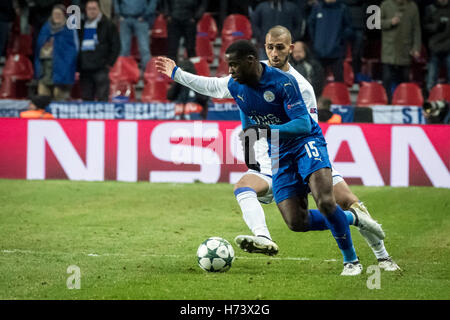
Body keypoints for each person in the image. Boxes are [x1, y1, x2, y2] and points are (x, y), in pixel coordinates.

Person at [156, 26, 400, 273]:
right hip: (273, 159)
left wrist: (268, 132)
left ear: (290, 49)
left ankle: (382, 257)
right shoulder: (245, 74)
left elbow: (307, 127)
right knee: (288, 216)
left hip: (303, 149)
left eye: (280, 47)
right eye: (270, 47)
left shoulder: (299, 86)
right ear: (263, 49)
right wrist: (177, 74)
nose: (274, 53)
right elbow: (213, 86)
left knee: (346, 202)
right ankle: (263, 236)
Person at [34, 4, 79, 101]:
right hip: (45, 72)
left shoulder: (69, 30)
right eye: (55, 14)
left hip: (62, 73)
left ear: (64, 15)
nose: (57, 16)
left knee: (59, 101)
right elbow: (38, 49)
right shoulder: (45, 29)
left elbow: (73, 53)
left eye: (59, 14)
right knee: (42, 100)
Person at [78, 0, 120, 101]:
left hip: (101, 68)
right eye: (89, 9)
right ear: (86, 10)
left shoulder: (108, 25)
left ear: (99, 9)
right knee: (86, 99)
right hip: (85, 68)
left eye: (94, 9)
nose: (91, 11)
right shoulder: (81, 25)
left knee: (102, 99)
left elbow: (116, 45)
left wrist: (109, 63)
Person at [380, 0, 421, 103]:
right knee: (387, 79)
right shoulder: (385, 5)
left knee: (404, 80)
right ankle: (387, 104)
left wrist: (416, 47)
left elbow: (416, 29)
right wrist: (390, 22)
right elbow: (374, 23)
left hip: (405, 50)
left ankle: (403, 102)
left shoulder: (412, 7)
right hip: (389, 50)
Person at [307, 0, 354, 82]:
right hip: (319, 51)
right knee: (318, 81)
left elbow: (348, 28)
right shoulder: (317, 7)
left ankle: (339, 95)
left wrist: (339, 39)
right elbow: (311, 25)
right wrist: (316, 41)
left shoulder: (342, 8)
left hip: (336, 52)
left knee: (339, 81)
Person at [114, 0, 158, 70]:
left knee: (144, 48)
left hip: (141, 19)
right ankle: (123, 73)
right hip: (125, 19)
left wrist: (146, 15)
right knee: (124, 49)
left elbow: (153, 2)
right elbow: (116, 2)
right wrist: (118, 15)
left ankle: (148, 73)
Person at [424, 0, 450, 94]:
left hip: (449, 48)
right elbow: (425, 26)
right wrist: (436, 27)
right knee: (431, 79)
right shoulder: (430, 9)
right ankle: (431, 101)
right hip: (435, 48)